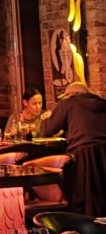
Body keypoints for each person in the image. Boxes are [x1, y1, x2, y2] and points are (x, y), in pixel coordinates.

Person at [40, 81, 106, 216]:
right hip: (104, 153)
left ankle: (80, 221)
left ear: (70, 94)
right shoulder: (103, 104)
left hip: (83, 155)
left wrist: (44, 119)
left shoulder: (68, 103)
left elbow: (48, 130)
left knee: (82, 195)